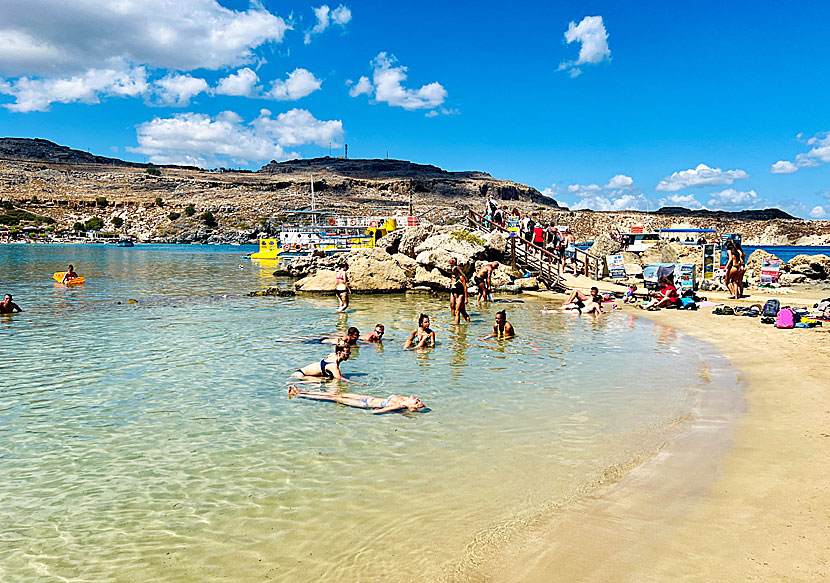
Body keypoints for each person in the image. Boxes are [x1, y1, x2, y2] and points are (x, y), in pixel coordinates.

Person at [288, 385, 425, 414]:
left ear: (412, 407)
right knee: (337, 394)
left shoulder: (400, 406)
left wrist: (379, 409)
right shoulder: (405, 398)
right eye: (419, 400)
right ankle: (302, 391)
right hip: (367, 398)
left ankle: (300, 394)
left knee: (333, 397)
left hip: (364, 404)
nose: (417, 399)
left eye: (417, 402)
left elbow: (375, 413)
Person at [448, 258, 471, 324]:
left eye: (451, 263)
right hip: (454, 292)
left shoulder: (461, 277)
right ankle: (453, 321)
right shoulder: (453, 276)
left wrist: (466, 298)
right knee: (453, 306)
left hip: (460, 294)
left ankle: (457, 327)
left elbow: (465, 287)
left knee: (458, 311)